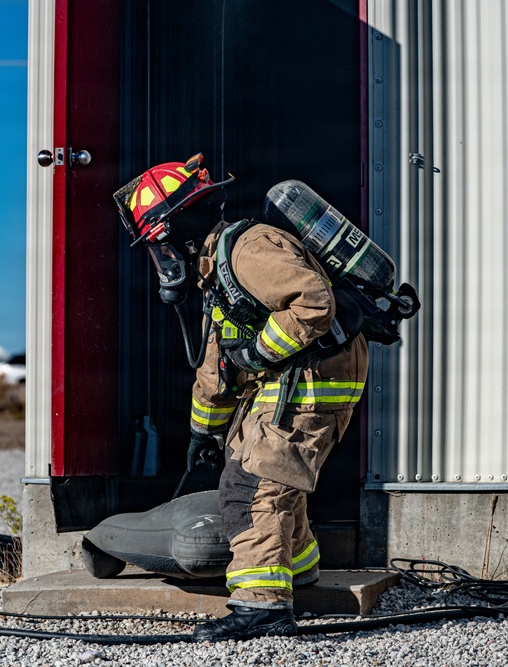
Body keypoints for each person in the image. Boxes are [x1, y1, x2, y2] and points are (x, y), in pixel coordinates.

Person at [114, 154, 369, 642]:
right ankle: (299, 570)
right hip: (293, 377)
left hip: (314, 377)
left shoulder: (248, 249)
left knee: (252, 486)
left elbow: (314, 302)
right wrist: (203, 431)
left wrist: (259, 350)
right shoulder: (217, 273)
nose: (162, 259)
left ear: (180, 228)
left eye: (161, 246)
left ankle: (261, 606)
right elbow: (217, 364)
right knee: (267, 475)